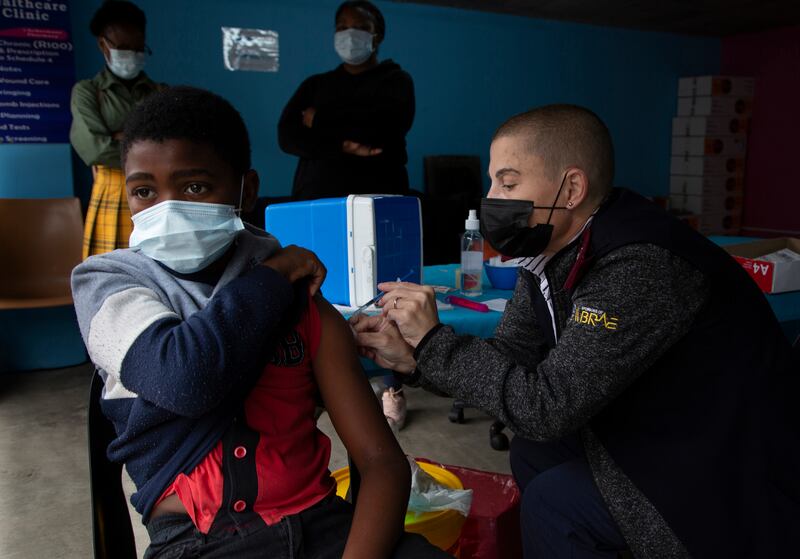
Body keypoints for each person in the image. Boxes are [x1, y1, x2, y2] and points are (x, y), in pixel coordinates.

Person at [352, 104, 799, 558]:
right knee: (532, 450)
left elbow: (547, 406)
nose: (492, 198)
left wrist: (432, 341)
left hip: (728, 462)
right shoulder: (548, 250)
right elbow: (512, 357)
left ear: (571, 188)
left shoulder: (639, 264)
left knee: (555, 505)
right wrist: (414, 358)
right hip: (660, 424)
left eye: (507, 183)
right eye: (493, 183)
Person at [71, 86, 449, 559]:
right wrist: (276, 273)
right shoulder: (109, 285)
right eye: (145, 191)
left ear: (246, 189)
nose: (167, 209)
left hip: (319, 524)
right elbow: (184, 379)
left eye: (194, 187)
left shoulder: (303, 304)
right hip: (198, 542)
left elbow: (381, 463)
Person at [278, 0, 415, 201]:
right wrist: (344, 145)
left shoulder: (396, 81)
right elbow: (287, 136)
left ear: (377, 37)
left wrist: (319, 120)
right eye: (343, 27)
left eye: (362, 28)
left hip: (379, 196)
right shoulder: (316, 85)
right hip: (317, 197)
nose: (350, 35)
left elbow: (382, 129)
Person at [70, 0, 163, 258]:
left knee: (160, 274)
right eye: (123, 48)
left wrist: (120, 138)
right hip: (111, 195)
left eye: (137, 48)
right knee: (109, 278)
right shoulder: (88, 92)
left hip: (157, 199)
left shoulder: (161, 92)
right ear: (103, 45)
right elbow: (94, 149)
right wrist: (150, 146)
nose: (131, 55)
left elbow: (175, 146)